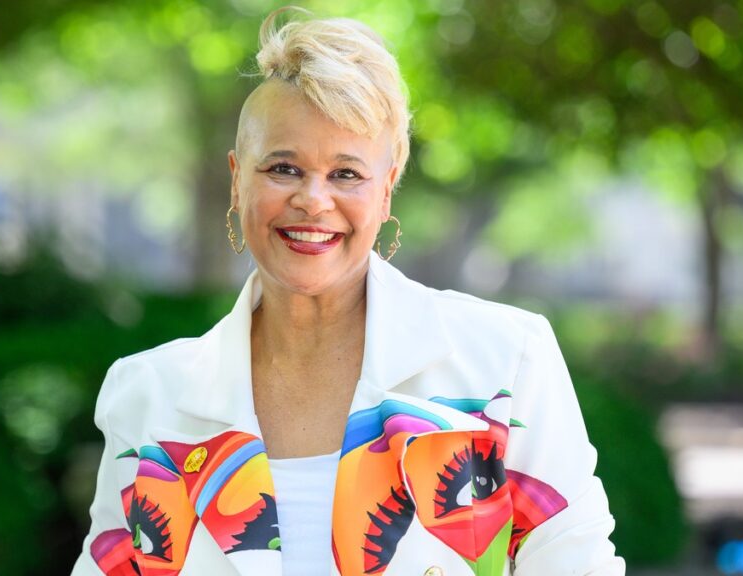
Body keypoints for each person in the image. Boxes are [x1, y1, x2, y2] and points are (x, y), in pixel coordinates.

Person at [72, 6, 625, 576]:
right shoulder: (145, 396)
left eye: (346, 174)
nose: (313, 199)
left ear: (386, 193)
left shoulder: (505, 359)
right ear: (237, 179)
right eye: (283, 168)